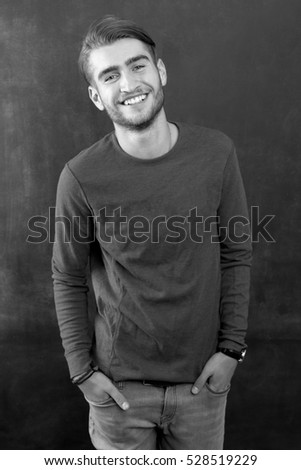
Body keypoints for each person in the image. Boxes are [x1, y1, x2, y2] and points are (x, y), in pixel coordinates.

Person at [52, 15, 252, 450]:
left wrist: (232, 350)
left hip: (203, 385)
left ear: (160, 72)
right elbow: (67, 277)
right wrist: (82, 374)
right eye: (110, 75)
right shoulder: (80, 176)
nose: (128, 83)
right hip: (119, 393)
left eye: (138, 65)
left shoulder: (216, 153)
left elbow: (236, 252)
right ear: (96, 96)